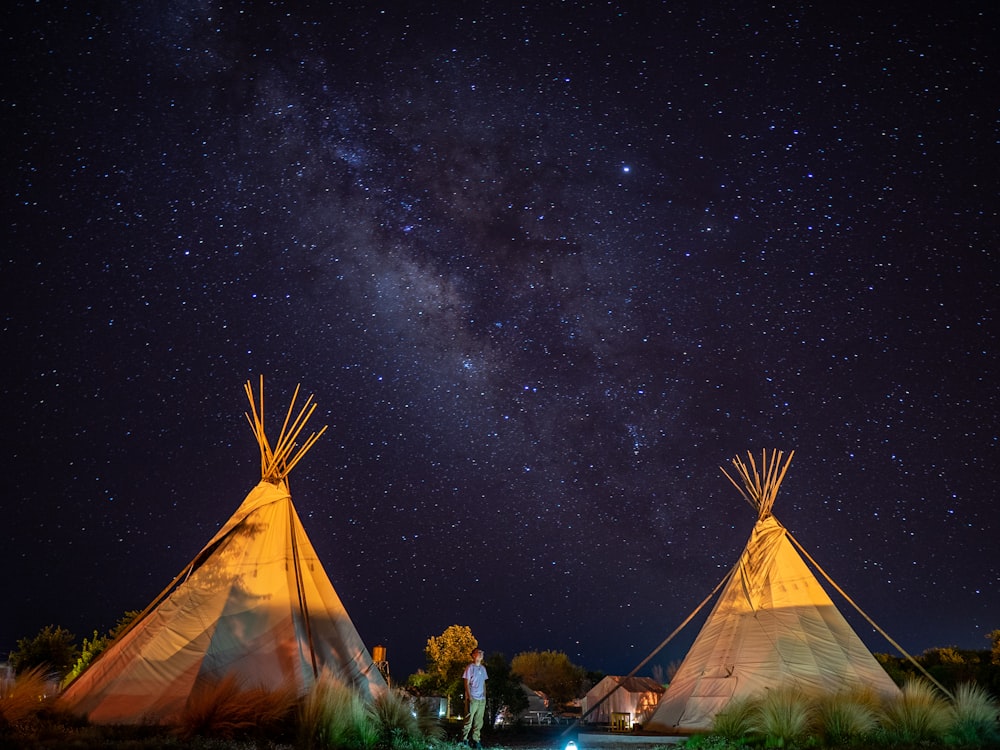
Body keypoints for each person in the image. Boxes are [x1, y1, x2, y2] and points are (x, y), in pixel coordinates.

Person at [461, 648, 488, 748]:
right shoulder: (470, 668)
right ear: (473, 655)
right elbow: (466, 683)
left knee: (479, 721)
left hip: (481, 699)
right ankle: (464, 739)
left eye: (482, 653)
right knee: (468, 720)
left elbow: (484, 683)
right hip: (473, 698)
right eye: (479, 653)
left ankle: (476, 740)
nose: (481, 654)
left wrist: (484, 696)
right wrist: (469, 696)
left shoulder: (483, 669)